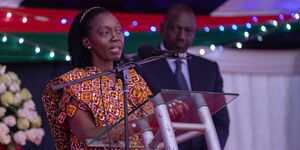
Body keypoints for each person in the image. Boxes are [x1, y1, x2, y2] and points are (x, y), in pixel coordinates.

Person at [42, 7, 187, 150]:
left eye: (118, 30)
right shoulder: (74, 84)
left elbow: (151, 132)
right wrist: (144, 122)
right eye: (105, 32)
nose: (115, 37)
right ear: (87, 43)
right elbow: (89, 137)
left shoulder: (133, 79)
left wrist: (166, 118)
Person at [133, 3, 230, 150]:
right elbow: (139, 121)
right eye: (175, 29)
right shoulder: (139, 66)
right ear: (162, 28)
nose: (182, 36)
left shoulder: (209, 69)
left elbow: (221, 122)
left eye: (188, 30)